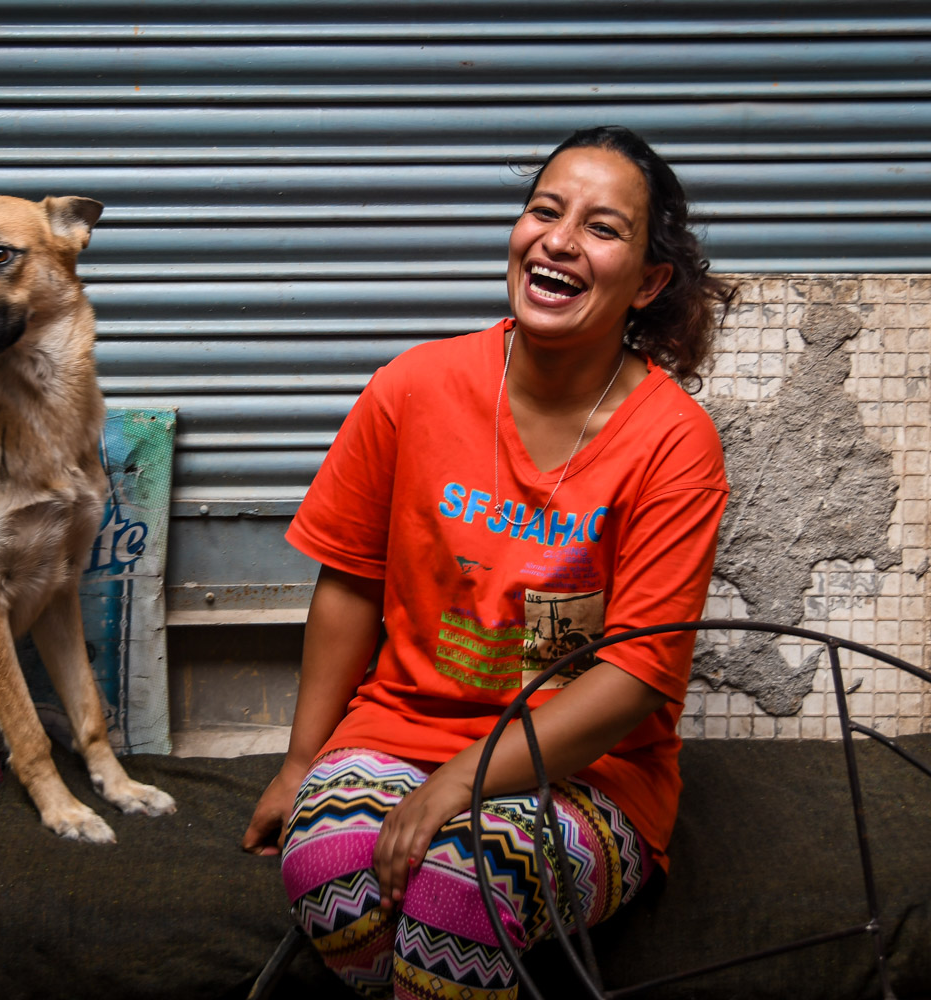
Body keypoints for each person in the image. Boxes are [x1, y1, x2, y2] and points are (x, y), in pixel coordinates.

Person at [240, 125, 737, 999]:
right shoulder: (414, 388)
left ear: (650, 282)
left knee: (461, 890)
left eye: (602, 227)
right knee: (332, 873)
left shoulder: (674, 442)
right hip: (398, 732)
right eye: (544, 211)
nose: (558, 239)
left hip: (590, 776)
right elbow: (351, 581)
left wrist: (455, 790)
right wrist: (300, 761)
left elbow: (633, 678)